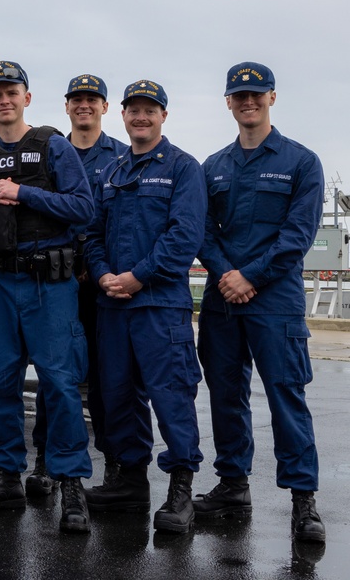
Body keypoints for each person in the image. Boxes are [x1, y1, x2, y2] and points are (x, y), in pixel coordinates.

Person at [0, 60, 94, 534]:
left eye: (13, 92)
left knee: (60, 382)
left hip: (49, 284)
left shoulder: (53, 145)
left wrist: (22, 194)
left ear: (27, 98)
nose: (4, 100)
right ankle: (6, 477)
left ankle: (70, 484)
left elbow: (82, 207)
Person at [195, 62, 326, 543]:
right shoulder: (213, 167)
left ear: (272, 97)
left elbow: (299, 234)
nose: (248, 101)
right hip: (222, 300)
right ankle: (232, 485)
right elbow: (202, 231)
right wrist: (227, 275)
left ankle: (303, 500)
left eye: (257, 93)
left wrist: (249, 276)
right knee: (226, 397)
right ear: (227, 101)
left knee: (286, 396)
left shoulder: (301, 161)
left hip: (275, 299)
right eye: (239, 94)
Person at [83, 80, 205, 535]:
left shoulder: (183, 168)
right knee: (117, 397)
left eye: (149, 110)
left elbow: (184, 236)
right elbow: (93, 235)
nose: (141, 117)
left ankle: (181, 489)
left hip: (158, 304)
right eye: (134, 110)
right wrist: (101, 275)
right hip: (113, 305)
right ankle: (130, 481)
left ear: (163, 116)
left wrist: (138, 276)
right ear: (123, 115)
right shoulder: (111, 172)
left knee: (171, 395)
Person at [26, 75, 128, 497]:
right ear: (66, 106)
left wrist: (98, 266)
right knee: (57, 375)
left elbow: (120, 223)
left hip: (104, 283)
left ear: (105, 107)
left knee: (109, 378)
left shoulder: (122, 158)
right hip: (57, 278)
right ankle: (46, 462)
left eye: (92, 99)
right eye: (77, 99)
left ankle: (116, 463)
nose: (84, 106)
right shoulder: (49, 153)